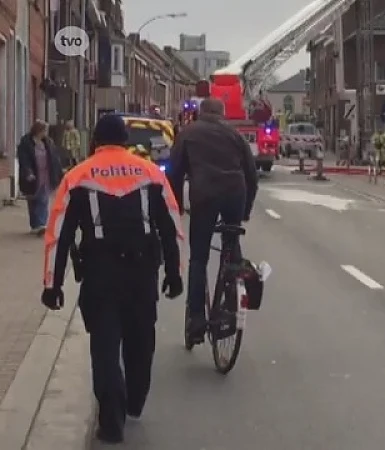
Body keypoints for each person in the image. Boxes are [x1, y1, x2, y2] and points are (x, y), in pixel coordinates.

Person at [41, 114, 183, 444]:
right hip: (142, 273)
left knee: (105, 347)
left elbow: (58, 235)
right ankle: (134, 400)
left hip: (100, 274)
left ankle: (112, 419)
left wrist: (53, 284)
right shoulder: (149, 174)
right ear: (125, 141)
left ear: (95, 142)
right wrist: (174, 273)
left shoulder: (78, 176)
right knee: (140, 342)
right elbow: (171, 227)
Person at [168, 98, 258, 344]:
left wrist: (176, 206)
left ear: (200, 112)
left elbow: (174, 172)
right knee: (232, 246)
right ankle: (230, 303)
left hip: (205, 195)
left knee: (199, 258)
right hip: (234, 194)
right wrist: (245, 211)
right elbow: (251, 175)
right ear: (223, 113)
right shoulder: (234, 135)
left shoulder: (188, 133)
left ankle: (196, 320)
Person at [17, 120, 63, 235]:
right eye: (44, 130)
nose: (46, 133)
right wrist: (28, 172)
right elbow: (24, 159)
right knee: (33, 199)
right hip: (33, 175)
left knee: (43, 199)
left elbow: (54, 158)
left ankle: (41, 225)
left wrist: (59, 172)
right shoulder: (26, 142)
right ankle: (35, 225)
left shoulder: (48, 142)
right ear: (39, 130)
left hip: (46, 175)